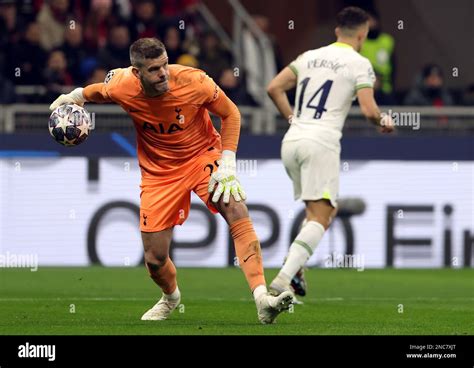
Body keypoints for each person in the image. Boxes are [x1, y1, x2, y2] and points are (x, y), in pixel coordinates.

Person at [49, 37, 293, 324]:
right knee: (154, 259)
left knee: (236, 208)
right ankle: (171, 298)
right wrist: (74, 96)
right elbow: (100, 92)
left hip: (203, 156)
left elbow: (231, 113)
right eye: (154, 69)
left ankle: (262, 299)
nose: (163, 73)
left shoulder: (194, 81)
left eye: (164, 65)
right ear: (137, 73)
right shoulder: (122, 85)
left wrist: (227, 163)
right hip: (159, 173)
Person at [266, 7, 394, 297]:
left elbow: (273, 88)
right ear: (362, 35)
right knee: (322, 217)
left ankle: (296, 272)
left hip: (292, 141)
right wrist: (383, 120)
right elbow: (368, 109)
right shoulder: (360, 63)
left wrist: (291, 119)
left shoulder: (309, 56)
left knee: (313, 211)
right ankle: (282, 280)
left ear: (337, 31)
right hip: (320, 143)